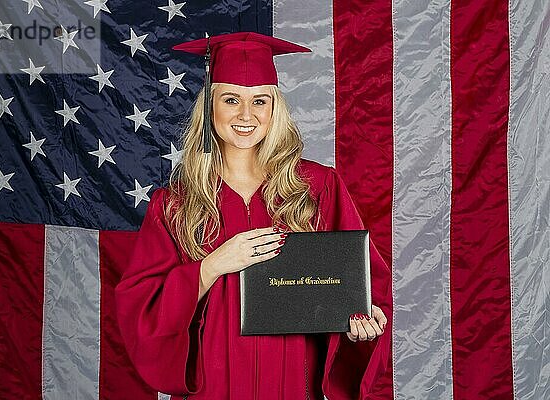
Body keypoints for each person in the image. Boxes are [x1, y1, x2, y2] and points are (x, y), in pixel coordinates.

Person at [115, 32, 392, 400]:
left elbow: (365, 283)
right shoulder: (176, 203)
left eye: (259, 101)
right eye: (231, 100)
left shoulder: (316, 187)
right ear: (210, 107)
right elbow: (142, 309)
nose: (246, 115)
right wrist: (211, 266)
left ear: (274, 109)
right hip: (216, 386)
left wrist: (361, 326)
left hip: (294, 382)